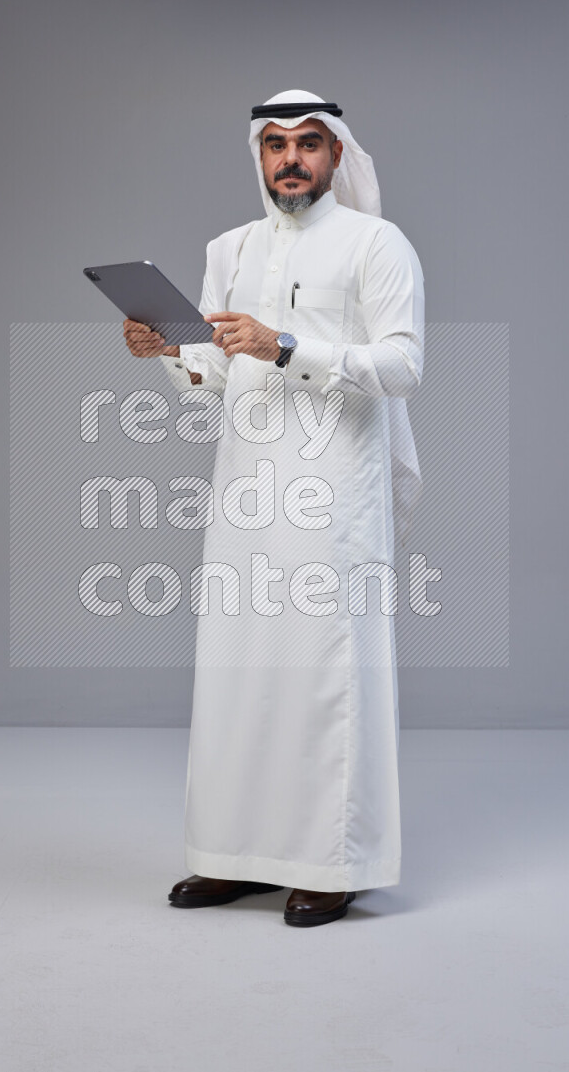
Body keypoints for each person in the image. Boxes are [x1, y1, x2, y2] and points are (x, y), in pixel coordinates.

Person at [123, 89, 424, 927]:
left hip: (336, 493)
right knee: (240, 672)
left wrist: (286, 344)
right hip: (247, 490)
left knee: (326, 674)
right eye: (276, 144)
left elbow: (403, 364)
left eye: (309, 143)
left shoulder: (377, 244)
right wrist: (165, 350)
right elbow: (215, 375)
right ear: (258, 157)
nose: (291, 158)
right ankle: (232, 856)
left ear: (336, 156)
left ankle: (333, 862)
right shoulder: (231, 249)